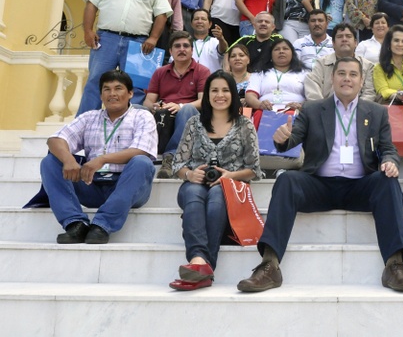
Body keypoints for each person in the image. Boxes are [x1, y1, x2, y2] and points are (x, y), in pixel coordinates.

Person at [236, 57, 403, 293]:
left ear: (361, 81)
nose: (347, 78)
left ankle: (395, 266)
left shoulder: (375, 112)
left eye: (353, 74)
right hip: (319, 185)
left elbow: (389, 149)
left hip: (360, 186)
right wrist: (281, 140)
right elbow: (292, 140)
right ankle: (269, 265)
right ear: (332, 79)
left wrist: (390, 162)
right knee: (286, 180)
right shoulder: (313, 109)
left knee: (387, 179)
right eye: (341, 73)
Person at [169, 71, 262, 291]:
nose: (220, 95)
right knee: (193, 193)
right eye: (214, 90)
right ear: (207, 94)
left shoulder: (244, 125)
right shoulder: (194, 123)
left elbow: (254, 170)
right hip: (194, 184)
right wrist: (190, 174)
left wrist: (229, 176)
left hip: (230, 188)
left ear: (232, 93)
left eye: (225, 90)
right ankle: (200, 263)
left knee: (219, 194)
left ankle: (201, 266)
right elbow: (177, 165)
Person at [40, 70, 156, 245]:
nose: (112, 94)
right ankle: (75, 224)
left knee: (142, 162)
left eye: (118, 88)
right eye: (106, 89)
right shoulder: (89, 117)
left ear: (130, 93)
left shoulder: (142, 116)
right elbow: (55, 139)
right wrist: (69, 160)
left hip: (126, 186)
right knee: (50, 162)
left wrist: (102, 159)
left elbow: (141, 150)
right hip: (91, 184)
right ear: (101, 94)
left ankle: (102, 225)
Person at [77, 0, 172, 115]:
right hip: (106, 40)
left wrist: (153, 38)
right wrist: (88, 31)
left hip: (140, 43)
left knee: (136, 86)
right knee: (96, 81)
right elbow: (91, 4)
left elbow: (162, 15)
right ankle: (84, 123)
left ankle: (131, 123)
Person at [144, 31, 211, 178]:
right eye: (177, 46)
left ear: (192, 50)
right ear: (170, 51)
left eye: (186, 46)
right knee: (138, 109)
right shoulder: (160, 72)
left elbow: (203, 101)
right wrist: (155, 106)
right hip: (164, 114)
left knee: (187, 109)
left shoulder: (202, 71)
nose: (182, 49)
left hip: (189, 115)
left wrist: (180, 106)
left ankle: (171, 157)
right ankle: (139, 153)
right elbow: (148, 100)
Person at [305, 23, 376, 101]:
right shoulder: (321, 64)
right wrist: (324, 109)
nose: (344, 39)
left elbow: (369, 93)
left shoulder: (367, 66)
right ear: (333, 43)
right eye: (340, 37)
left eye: (348, 36)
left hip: (358, 111)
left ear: (356, 43)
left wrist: (355, 109)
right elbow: (313, 92)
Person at [245, 38, 307, 114]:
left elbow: (311, 97)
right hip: (266, 112)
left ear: (292, 54)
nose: (281, 51)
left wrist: (300, 106)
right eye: (277, 49)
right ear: (270, 55)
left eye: (285, 49)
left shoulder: (304, 73)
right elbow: (250, 96)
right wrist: (260, 105)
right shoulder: (259, 73)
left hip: (296, 112)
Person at [190, 8, 228, 73]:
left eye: (203, 19)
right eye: (196, 19)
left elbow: (224, 50)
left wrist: (221, 38)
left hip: (212, 81)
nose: (199, 21)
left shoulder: (215, 42)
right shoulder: (186, 43)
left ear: (210, 24)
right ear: (191, 24)